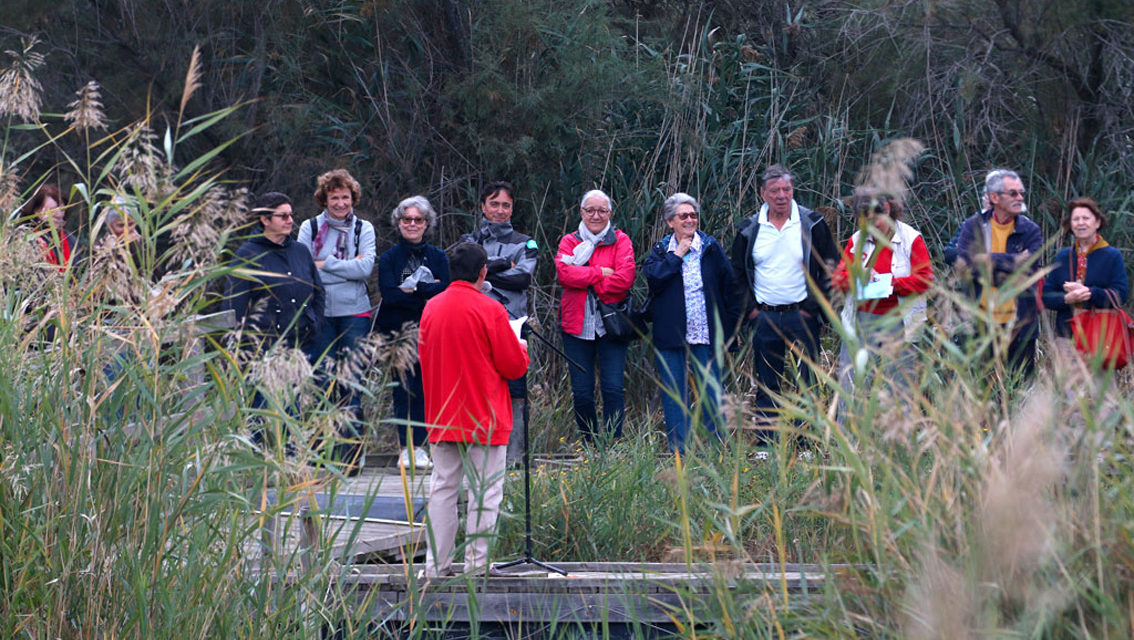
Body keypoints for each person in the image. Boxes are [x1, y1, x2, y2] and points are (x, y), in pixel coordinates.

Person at [418, 242, 530, 578]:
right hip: (484, 413)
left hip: (442, 412)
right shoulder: (490, 309)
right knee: (485, 493)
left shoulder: (431, 308)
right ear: (483, 273)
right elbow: (513, 367)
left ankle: (436, 567)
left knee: (443, 489)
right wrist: (522, 347)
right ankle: (476, 567)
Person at [728, 164, 838, 443]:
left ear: (793, 191)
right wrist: (752, 311)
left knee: (807, 383)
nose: (781, 195)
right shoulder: (750, 229)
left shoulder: (812, 223)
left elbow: (830, 266)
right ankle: (767, 442)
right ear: (763, 193)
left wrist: (813, 308)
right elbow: (737, 274)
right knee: (767, 382)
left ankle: (805, 442)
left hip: (803, 316)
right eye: (774, 190)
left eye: (786, 189)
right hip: (765, 317)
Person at [643, 193, 739, 453]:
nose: (689, 219)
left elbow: (729, 286)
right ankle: (680, 453)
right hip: (670, 333)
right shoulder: (661, 250)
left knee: (711, 391)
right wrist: (678, 254)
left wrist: (730, 329)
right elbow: (654, 280)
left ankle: (718, 450)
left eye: (693, 215)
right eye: (683, 216)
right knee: (675, 394)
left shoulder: (710, 246)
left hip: (705, 332)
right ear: (669, 221)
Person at [296, 169, 376, 464]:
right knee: (321, 382)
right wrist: (346, 265)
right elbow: (305, 269)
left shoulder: (363, 229)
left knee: (351, 384)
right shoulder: (310, 227)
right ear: (324, 200)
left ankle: (352, 458)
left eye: (345, 197)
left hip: (355, 314)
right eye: (334, 198)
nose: (341, 203)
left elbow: (365, 269)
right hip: (320, 314)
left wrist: (326, 262)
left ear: (353, 198)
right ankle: (320, 455)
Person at [832, 188, 933, 405]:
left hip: (900, 324)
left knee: (900, 390)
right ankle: (850, 437)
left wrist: (890, 283)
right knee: (852, 387)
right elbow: (838, 280)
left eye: (875, 221)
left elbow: (925, 279)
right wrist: (858, 275)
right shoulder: (856, 240)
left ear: (888, 210)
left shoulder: (911, 239)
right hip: (861, 323)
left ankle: (900, 437)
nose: (871, 227)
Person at [460, 181, 537, 464]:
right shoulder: (469, 239)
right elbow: (461, 274)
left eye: (506, 205)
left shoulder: (525, 242)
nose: (500, 210)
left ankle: (515, 457)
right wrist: (505, 264)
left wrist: (484, 273)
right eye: (494, 204)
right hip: (472, 324)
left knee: (515, 390)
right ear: (482, 206)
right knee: (475, 387)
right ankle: (475, 455)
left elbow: (523, 279)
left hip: (511, 325)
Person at [555, 189, 636, 444]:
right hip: (576, 326)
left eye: (602, 210)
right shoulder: (569, 241)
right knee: (582, 393)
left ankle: (612, 445)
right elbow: (564, 275)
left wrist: (587, 278)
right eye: (590, 210)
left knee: (612, 388)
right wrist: (601, 272)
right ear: (581, 212)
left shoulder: (621, 240)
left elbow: (625, 279)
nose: (596, 215)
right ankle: (590, 444)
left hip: (611, 325)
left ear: (610, 213)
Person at [375, 196, 450, 471]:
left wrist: (413, 289)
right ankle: (406, 448)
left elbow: (446, 290)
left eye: (418, 219)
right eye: (407, 219)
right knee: (403, 391)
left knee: (427, 390)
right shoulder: (389, 258)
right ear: (399, 222)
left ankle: (424, 446)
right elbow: (390, 295)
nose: (412, 224)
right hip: (398, 334)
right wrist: (424, 290)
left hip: (431, 331)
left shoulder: (439, 257)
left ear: (427, 223)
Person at [955, 169, 1043, 379]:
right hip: (981, 326)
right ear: (994, 197)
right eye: (1013, 193)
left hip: (1020, 325)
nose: (1020, 198)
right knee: (983, 389)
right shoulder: (973, 226)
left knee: (1021, 389)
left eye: (1021, 193)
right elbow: (965, 268)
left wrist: (988, 260)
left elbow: (1029, 269)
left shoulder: (1030, 230)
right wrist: (1013, 263)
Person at [226, 192, 324, 352]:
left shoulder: (301, 251)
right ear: (265, 220)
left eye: (291, 215)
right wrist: (243, 347)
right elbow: (235, 305)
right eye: (283, 216)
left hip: (305, 346)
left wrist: (315, 323)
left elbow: (319, 292)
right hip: (265, 350)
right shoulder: (246, 255)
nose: (290, 221)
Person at [1041, 198, 1129, 346]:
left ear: (1097, 223)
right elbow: (1046, 296)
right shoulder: (1063, 256)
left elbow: (1120, 295)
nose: (1080, 223)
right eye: (1076, 219)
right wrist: (1067, 299)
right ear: (1071, 225)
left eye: (1086, 218)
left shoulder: (1112, 256)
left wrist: (1090, 293)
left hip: (1101, 338)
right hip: (1065, 337)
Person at [26, 184, 79, 273]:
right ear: (37, 211)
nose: (59, 215)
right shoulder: (27, 239)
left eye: (62, 209)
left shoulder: (70, 240)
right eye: (53, 210)